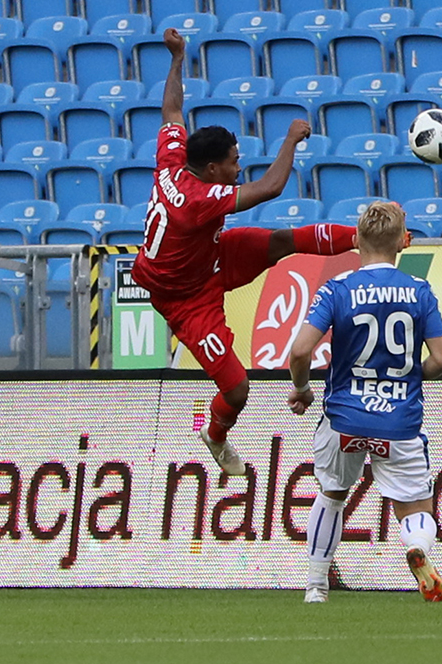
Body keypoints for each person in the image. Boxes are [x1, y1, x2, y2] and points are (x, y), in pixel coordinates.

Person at [132, 28, 357, 476]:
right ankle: (215, 436)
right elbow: (270, 187)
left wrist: (177, 58)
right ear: (212, 168)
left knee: (281, 242)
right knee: (237, 389)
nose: (239, 168)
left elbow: (172, 109)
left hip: (209, 256)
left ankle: (365, 237)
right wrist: (291, 139)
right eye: (234, 162)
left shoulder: (173, 161)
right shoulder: (198, 200)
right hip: (184, 298)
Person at [287, 201, 442, 604]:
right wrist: (409, 377)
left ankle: (316, 586)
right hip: (398, 420)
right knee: (416, 508)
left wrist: (303, 389)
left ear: (357, 240)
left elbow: (300, 351)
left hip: (344, 417)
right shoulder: (419, 290)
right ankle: (417, 547)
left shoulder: (337, 289)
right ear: (402, 242)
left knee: (332, 493)